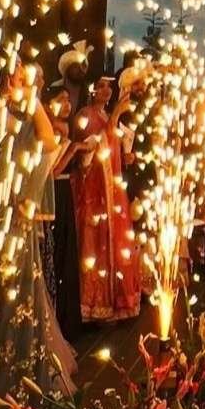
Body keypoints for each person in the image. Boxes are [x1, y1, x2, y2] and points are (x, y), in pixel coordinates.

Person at [0, 60, 76, 404]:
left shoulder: (26, 107)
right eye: (16, 72)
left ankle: (21, 368)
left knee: (19, 287)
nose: (20, 77)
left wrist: (31, 100)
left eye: (23, 74)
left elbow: (48, 143)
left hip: (15, 209)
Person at [72, 77, 141, 323]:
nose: (106, 90)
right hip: (94, 191)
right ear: (92, 90)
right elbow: (89, 151)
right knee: (95, 244)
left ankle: (116, 301)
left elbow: (113, 147)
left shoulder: (108, 115)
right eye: (100, 85)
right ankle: (95, 304)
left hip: (112, 188)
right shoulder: (85, 115)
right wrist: (116, 116)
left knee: (115, 241)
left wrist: (127, 156)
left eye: (109, 86)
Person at [43, 82, 85, 340]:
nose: (67, 105)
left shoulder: (65, 128)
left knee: (68, 250)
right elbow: (52, 171)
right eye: (61, 100)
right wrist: (73, 150)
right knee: (58, 252)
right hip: (54, 192)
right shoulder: (50, 130)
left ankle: (68, 319)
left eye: (69, 100)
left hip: (66, 191)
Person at [52, 41, 91, 115]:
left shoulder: (86, 93)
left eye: (83, 67)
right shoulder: (55, 89)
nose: (81, 70)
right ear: (67, 69)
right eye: (76, 66)